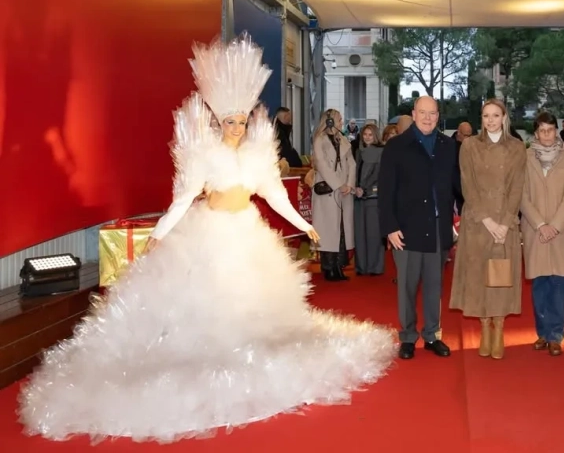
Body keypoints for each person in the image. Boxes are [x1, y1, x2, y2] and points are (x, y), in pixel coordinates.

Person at [18, 36, 397, 442]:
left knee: (252, 299)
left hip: (247, 231)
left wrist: (303, 225)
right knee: (209, 300)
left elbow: (276, 196)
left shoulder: (257, 155)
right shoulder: (205, 156)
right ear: (219, 122)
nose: (237, 128)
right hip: (211, 232)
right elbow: (182, 201)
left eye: (242, 122)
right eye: (230, 122)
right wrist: (160, 233)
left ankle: (250, 352)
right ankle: (215, 354)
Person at [378, 96, 458, 360]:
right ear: (413, 114)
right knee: (407, 287)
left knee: (435, 286)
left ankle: (432, 335)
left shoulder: (448, 146)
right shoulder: (396, 146)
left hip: (438, 229)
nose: (427, 118)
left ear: (438, 116)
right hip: (406, 230)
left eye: (432, 113)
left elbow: (458, 186)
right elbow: (386, 191)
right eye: (422, 113)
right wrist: (390, 227)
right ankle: (408, 337)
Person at [451, 99, 526, 360]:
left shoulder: (517, 147)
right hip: (478, 223)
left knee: (500, 278)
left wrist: (504, 222)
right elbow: (467, 185)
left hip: (505, 223)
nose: (490, 120)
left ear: (504, 118)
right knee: (478, 277)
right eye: (486, 116)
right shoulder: (470, 146)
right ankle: (484, 326)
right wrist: (487, 220)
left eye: (495, 115)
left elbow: (517, 187)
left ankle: (499, 327)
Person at [520, 111, 564, 357]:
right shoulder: (524, 158)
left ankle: (556, 335)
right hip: (535, 230)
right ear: (536, 133)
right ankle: (542, 333)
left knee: (560, 284)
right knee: (540, 284)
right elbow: (521, 195)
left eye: (550, 130)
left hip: (560, 231)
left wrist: (554, 225)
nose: (547, 135)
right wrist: (540, 224)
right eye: (542, 130)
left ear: (556, 131)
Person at [311, 108, 356, 282]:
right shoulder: (319, 140)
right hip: (328, 191)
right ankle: (329, 267)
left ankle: (338, 266)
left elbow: (351, 163)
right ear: (329, 121)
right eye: (339, 119)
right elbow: (322, 165)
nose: (341, 122)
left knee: (341, 229)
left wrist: (349, 185)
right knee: (329, 230)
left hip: (343, 192)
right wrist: (338, 184)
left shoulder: (343, 140)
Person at [354, 123, 384, 276]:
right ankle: (361, 267)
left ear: (376, 136)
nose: (367, 137)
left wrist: (364, 189)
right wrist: (356, 188)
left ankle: (374, 267)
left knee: (373, 234)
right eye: (365, 134)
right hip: (358, 197)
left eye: (370, 134)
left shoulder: (381, 151)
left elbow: (378, 174)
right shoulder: (358, 151)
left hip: (373, 197)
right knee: (359, 234)